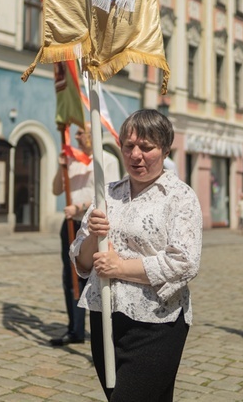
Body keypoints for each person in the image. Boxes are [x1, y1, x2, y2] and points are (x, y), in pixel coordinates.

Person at [71, 109, 202, 401]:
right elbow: (80, 263)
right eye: (129, 146)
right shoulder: (106, 194)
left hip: (156, 323)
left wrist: (119, 267)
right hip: (104, 317)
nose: (136, 155)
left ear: (165, 149)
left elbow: (185, 262)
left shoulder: (179, 197)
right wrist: (94, 234)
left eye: (147, 147)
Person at [51, 122, 120, 347]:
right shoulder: (73, 159)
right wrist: (60, 166)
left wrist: (79, 206)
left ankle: (104, 328)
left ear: (92, 136)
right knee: (70, 277)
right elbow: (56, 190)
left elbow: (108, 194)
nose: (77, 136)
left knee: (98, 275)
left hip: (94, 225)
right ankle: (75, 328)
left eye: (81, 133)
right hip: (71, 224)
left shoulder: (107, 160)